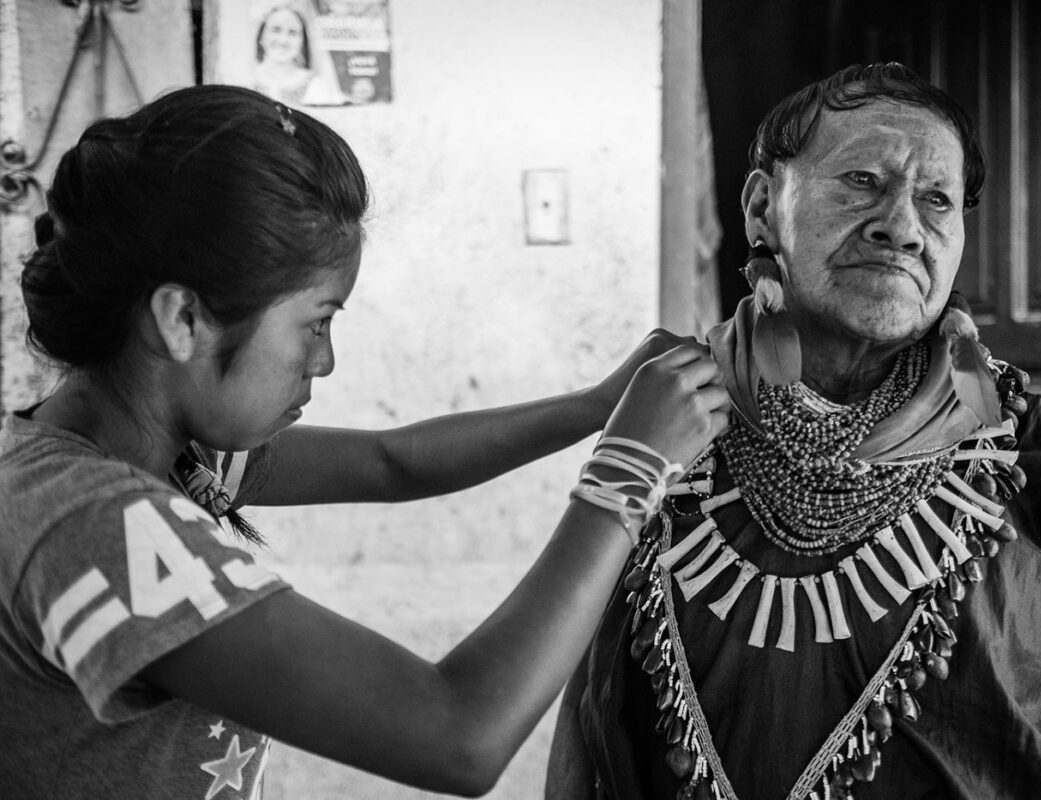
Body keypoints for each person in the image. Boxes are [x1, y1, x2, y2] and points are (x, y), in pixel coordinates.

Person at [0, 85, 731, 798]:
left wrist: (595, 406)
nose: (324, 360)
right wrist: (627, 472)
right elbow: (460, 736)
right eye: (316, 322)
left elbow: (393, 462)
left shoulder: (159, 455)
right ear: (183, 319)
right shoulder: (91, 523)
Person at [547, 62, 1041, 800]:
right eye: (862, 181)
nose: (901, 227)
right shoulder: (671, 425)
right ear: (760, 208)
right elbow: (590, 713)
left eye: (936, 198)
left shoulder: (1036, 450)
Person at [253, 5, 345, 106]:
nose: (283, 40)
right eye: (276, 30)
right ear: (261, 36)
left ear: (302, 42)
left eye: (293, 33)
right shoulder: (244, 81)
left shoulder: (316, 87)